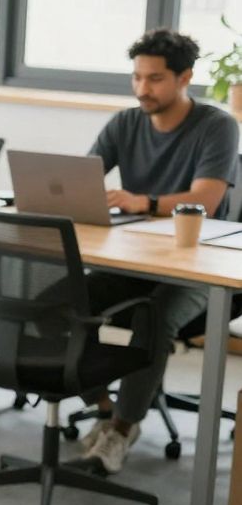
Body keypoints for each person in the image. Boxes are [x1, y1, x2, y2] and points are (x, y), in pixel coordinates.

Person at [78, 29, 239, 474]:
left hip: (200, 266)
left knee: (156, 315)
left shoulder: (218, 125)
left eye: (155, 79)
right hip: (136, 258)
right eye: (137, 78)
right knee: (69, 297)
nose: (142, 89)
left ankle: (123, 429)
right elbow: (85, 177)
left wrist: (143, 202)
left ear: (185, 76)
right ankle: (105, 407)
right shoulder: (125, 123)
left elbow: (205, 200)